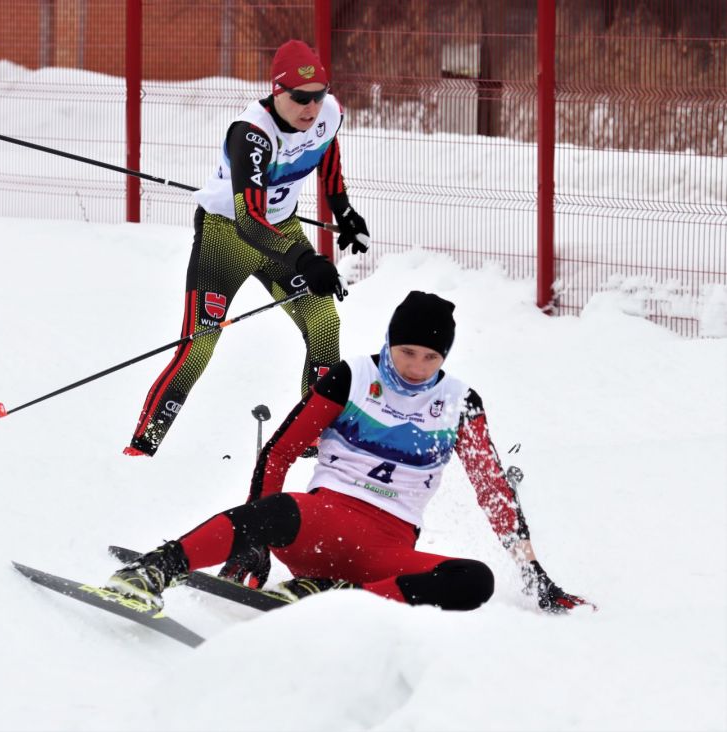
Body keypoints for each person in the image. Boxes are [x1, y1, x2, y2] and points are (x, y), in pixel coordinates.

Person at [107, 292, 594, 614]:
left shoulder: (459, 402)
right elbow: (279, 452)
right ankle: (155, 569)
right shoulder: (354, 376)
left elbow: (493, 491)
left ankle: (339, 597)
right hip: (318, 525)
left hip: (386, 551)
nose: (417, 367)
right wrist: (254, 545)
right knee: (275, 509)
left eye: (431, 357)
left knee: (474, 580)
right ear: (389, 342)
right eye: (407, 352)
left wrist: (535, 575)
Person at [124, 39, 370, 457]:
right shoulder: (252, 135)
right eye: (300, 98)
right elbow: (250, 220)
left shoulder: (328, 114)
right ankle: (143, 446)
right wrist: (305, 259)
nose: (311, 107)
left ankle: (312, 435)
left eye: (319, 95)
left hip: (282, 229)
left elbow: (326, 156)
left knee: (325, 321)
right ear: (277, 91)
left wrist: (343, 210)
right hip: (228, 236)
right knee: (200, 343)